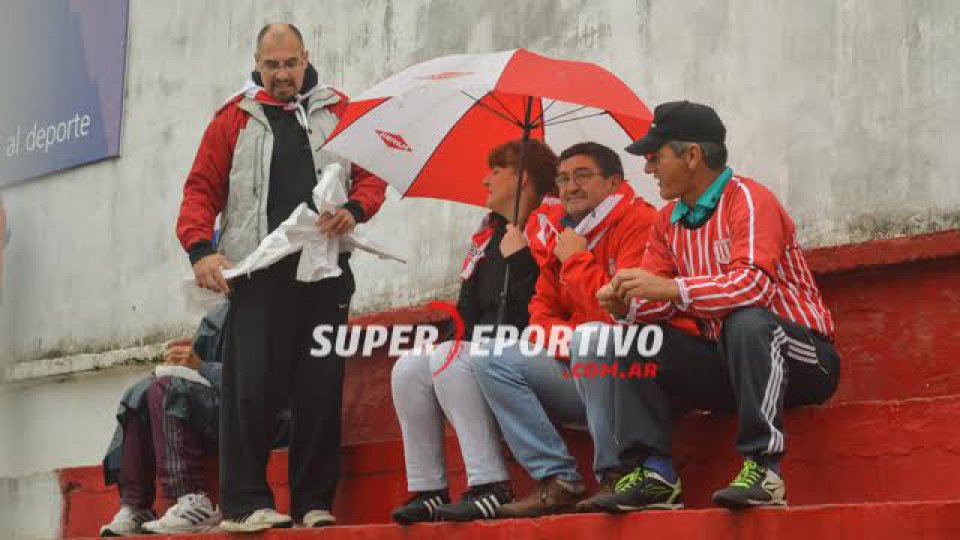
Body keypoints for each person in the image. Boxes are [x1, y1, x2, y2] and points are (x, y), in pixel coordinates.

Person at [175, 23, 387, 532]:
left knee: (321, 387)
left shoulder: (339, 110)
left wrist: (355, 210)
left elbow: (374, 175)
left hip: (326, 271)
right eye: (272, 65)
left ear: (305, 58)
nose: (282, 74)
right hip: (259, 274)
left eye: (290, 63)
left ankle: (314, 501)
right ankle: (246, 503)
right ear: (257, 63)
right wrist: (201, 251)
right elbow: (200, 189)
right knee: (252, 389)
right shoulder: (234, 117)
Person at [593, 101, 840, 513]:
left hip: (805, 361)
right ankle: (655, 475)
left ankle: (764, 470)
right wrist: (625, 305)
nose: (649, 169)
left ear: (693, 156)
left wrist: (671, 288)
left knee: (746, 322)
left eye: (656, 157)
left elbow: (753, 286)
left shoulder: (750, 199)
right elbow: (657, 302)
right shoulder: (667, 220)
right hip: (730, 367)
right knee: (638, 337)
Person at [473, 142, 664, 517]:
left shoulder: (639, 222)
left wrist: (576, 260)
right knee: (489, 355)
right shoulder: (564, 232)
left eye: (582, 176)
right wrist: (570, 344)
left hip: (634, 376)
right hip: (581, 370)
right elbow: (538, 317)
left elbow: (620, 316)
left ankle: (616, 472)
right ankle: (558, 478)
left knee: (593, 338)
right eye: (562, 179)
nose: (570, 186)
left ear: (613, 182)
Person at [389, 139, 558, 523]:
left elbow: (542, 303)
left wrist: (522, 259)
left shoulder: (548, 227)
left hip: (534, 351)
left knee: (458, 358)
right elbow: (466, 314)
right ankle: (429, 487)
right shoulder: (486, 236)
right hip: (484, 349)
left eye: (496, 171)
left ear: (523, 178)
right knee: (409, 367)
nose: (484, 181)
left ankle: (490, 485)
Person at [99, 305, 228, 536]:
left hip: (256, 414)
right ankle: (136, 506)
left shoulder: (271, 316)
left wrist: (201, 367)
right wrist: (179, 367)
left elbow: (257, 379)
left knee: (167, 389)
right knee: (142, 391)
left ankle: (194, 501)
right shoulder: (217, 318)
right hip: (212, 409)